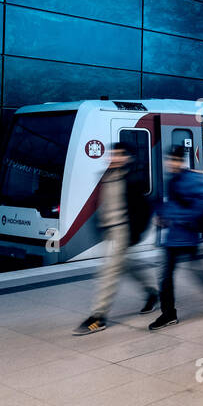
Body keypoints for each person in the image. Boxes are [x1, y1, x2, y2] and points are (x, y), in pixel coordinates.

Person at [74, 142, 158, 335]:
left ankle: (98, 316)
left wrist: (135, 234)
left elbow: (145, 210)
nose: (114, 157)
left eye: (119, 154)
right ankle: (152, 293)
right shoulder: (104, 176)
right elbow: (99, 204)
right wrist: (99, 225)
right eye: (112, 154)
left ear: (127, 158)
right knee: (128, 265)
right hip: (109, 230)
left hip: (124, 230)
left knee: (109, 272)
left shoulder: (133, 179)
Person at [147, 145, 203, 330]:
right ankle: (168, 314)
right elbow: (170, 204)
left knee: (199, 273)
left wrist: (186, 217)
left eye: (176, 160)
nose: (171, 163)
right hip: (172, 238)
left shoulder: (191, 178)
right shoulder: (171, 180)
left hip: (189, 236)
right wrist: (161, 214)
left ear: (181, 161)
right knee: (166, 276)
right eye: (169, 159)